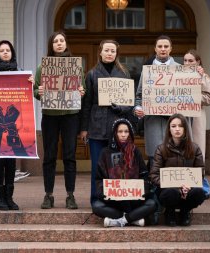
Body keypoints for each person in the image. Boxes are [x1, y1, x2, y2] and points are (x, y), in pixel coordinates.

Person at [34, 31, 85, 209]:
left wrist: (81, 91)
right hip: (50, 116)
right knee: (49, 156)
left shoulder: (76, 67)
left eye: (62, 40)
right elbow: (35, 90)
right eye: (56, 41)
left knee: (70, 156)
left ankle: (70, 195)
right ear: (51, 45)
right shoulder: (43, 67)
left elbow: (82, 88)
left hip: (70, 116)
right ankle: (48, 195)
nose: (59, 43)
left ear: (66, 43)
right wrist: (38, 92)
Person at [80, 40, 132, 205]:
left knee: (117, 164)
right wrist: (84, 129)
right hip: (96, 127)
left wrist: (122, 108)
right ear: (100, 52)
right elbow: (86, 104)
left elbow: (129, 102)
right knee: (97, 165)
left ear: (116, 53)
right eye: (107, 50)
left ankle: (116, 199)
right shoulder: (92, 74)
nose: (110, 53)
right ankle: (96, 199)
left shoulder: (124, 73)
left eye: (113, 51)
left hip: (118, 126)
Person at [0, 40, 34, 210]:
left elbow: (26, 97)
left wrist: (31, 84)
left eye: (8, 50)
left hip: (14, 123)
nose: (6, 53)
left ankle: (10, 197)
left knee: (11, 162)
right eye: (2, 50)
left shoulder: (21, 72)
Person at [92, 118, 156, 227]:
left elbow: (145, 176)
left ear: (130, 133)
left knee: (152, 204)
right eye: (120, 132)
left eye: (126, 132)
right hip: (114, 202)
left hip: (134, 200)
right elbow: (99, 180)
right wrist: (106, 193)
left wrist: (141, 191)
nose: (123, 135)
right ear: (115, 134)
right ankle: (133, 219)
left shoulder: (135, 151)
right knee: (97, 206)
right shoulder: (105, 153)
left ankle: (121, 220)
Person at [150, 114, 206, 226]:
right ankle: (169, 212)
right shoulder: (161, 149)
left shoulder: (195, 149)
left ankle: (185, 211)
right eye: (173, 126)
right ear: (169, 129)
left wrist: (189, 185)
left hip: (187, 189)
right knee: (171, 193)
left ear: (185, 128)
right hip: (168, 191)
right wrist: (172, 186)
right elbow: (154, 175)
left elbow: (200, 173)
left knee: (199, 193)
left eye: (180, 126)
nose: (177, 129)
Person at [134, 35, 181, 170]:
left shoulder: (180, 69)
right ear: (155, 48)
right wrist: (138, 108)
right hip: (153, 121)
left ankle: (172, 190)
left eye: (166, 46)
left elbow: (187, 95)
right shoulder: (147, 70)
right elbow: (139, 95)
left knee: (173, 157)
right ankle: (155, 190)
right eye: (160, 46)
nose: (163, 49)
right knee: (155, 159)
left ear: (171, 49)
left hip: (173, 123)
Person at [183, 49, 210, 199]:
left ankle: (200, 185)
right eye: (185, 60)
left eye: (191, 61)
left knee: (197, 151)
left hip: (196, 117)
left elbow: (209, 98)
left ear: (198, 62)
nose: (187, 63)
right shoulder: (177, 76)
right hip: (181, 117)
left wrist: (191, 96)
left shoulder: (203, 77)